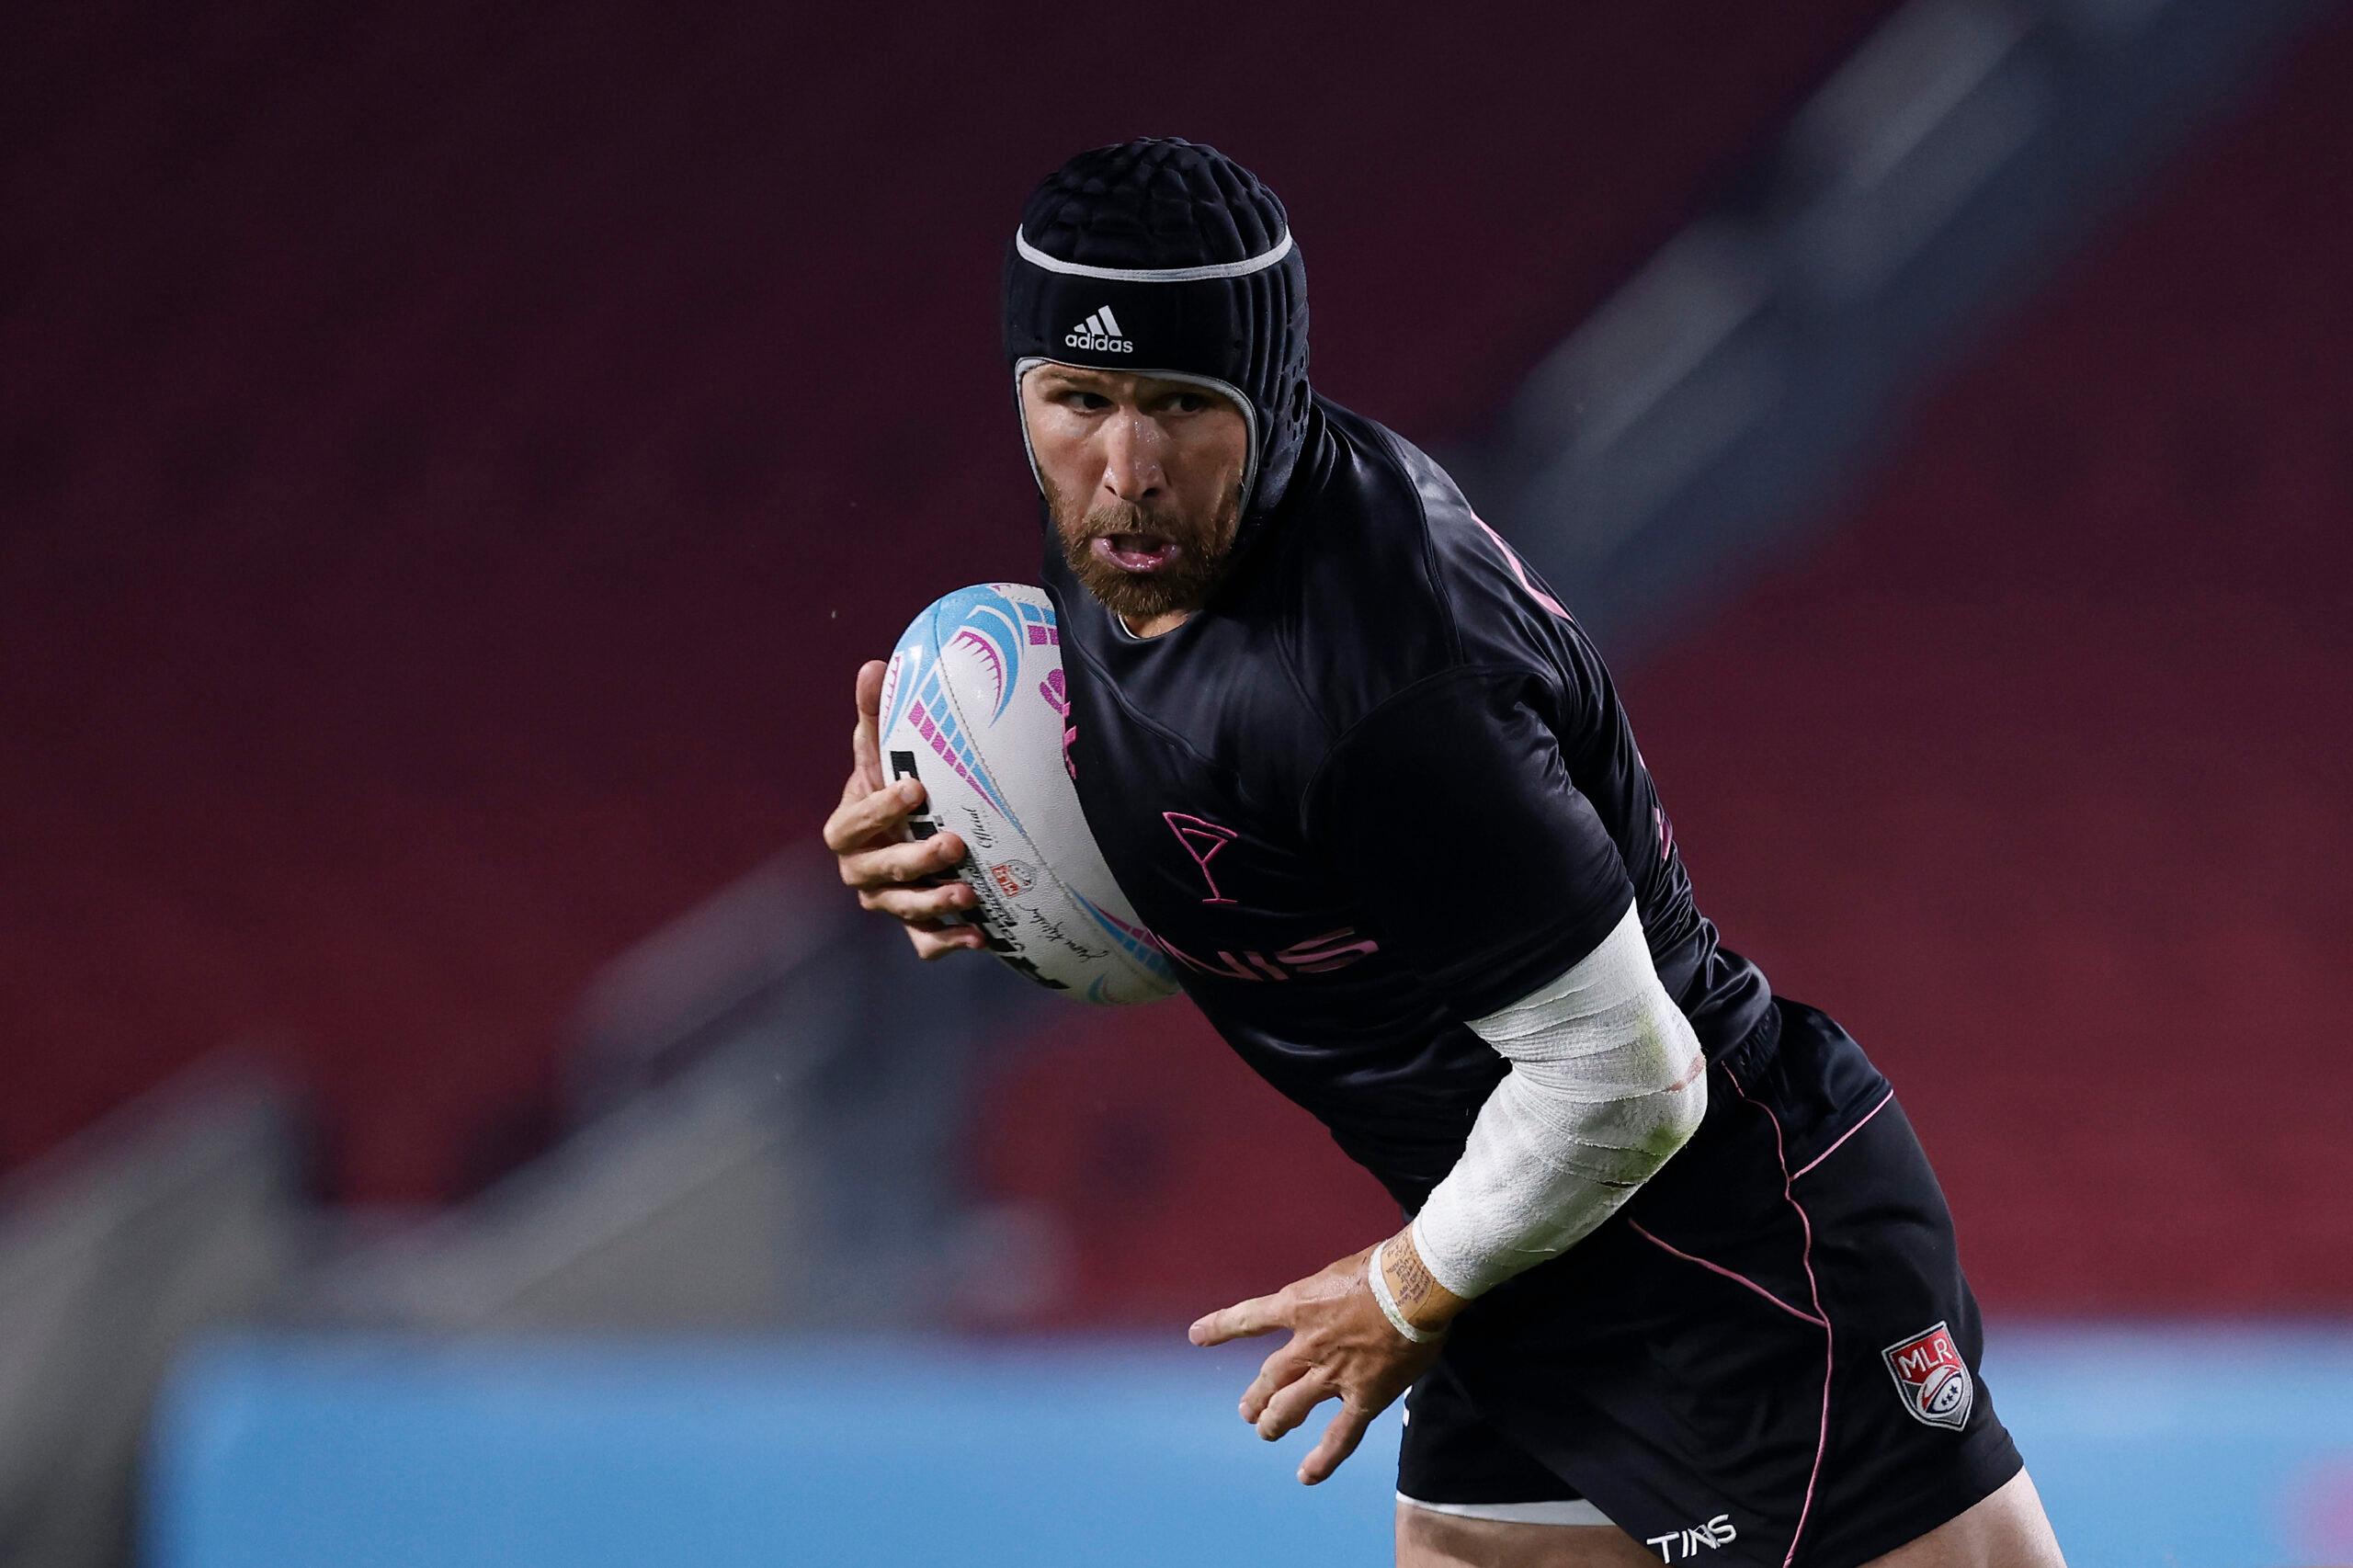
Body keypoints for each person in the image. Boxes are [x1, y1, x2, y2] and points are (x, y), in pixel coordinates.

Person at [824, 138, 2067, 1568]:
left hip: (1725, 1249)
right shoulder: (1129, 550)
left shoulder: (1383, 687)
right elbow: (1195, 842)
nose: (1126, 469)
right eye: (1078, 400)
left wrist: (1404, 1289)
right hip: (1522, 1246)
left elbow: (1629, 1076)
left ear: (1270, 395)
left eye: (1180, 405)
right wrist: (959, 855)